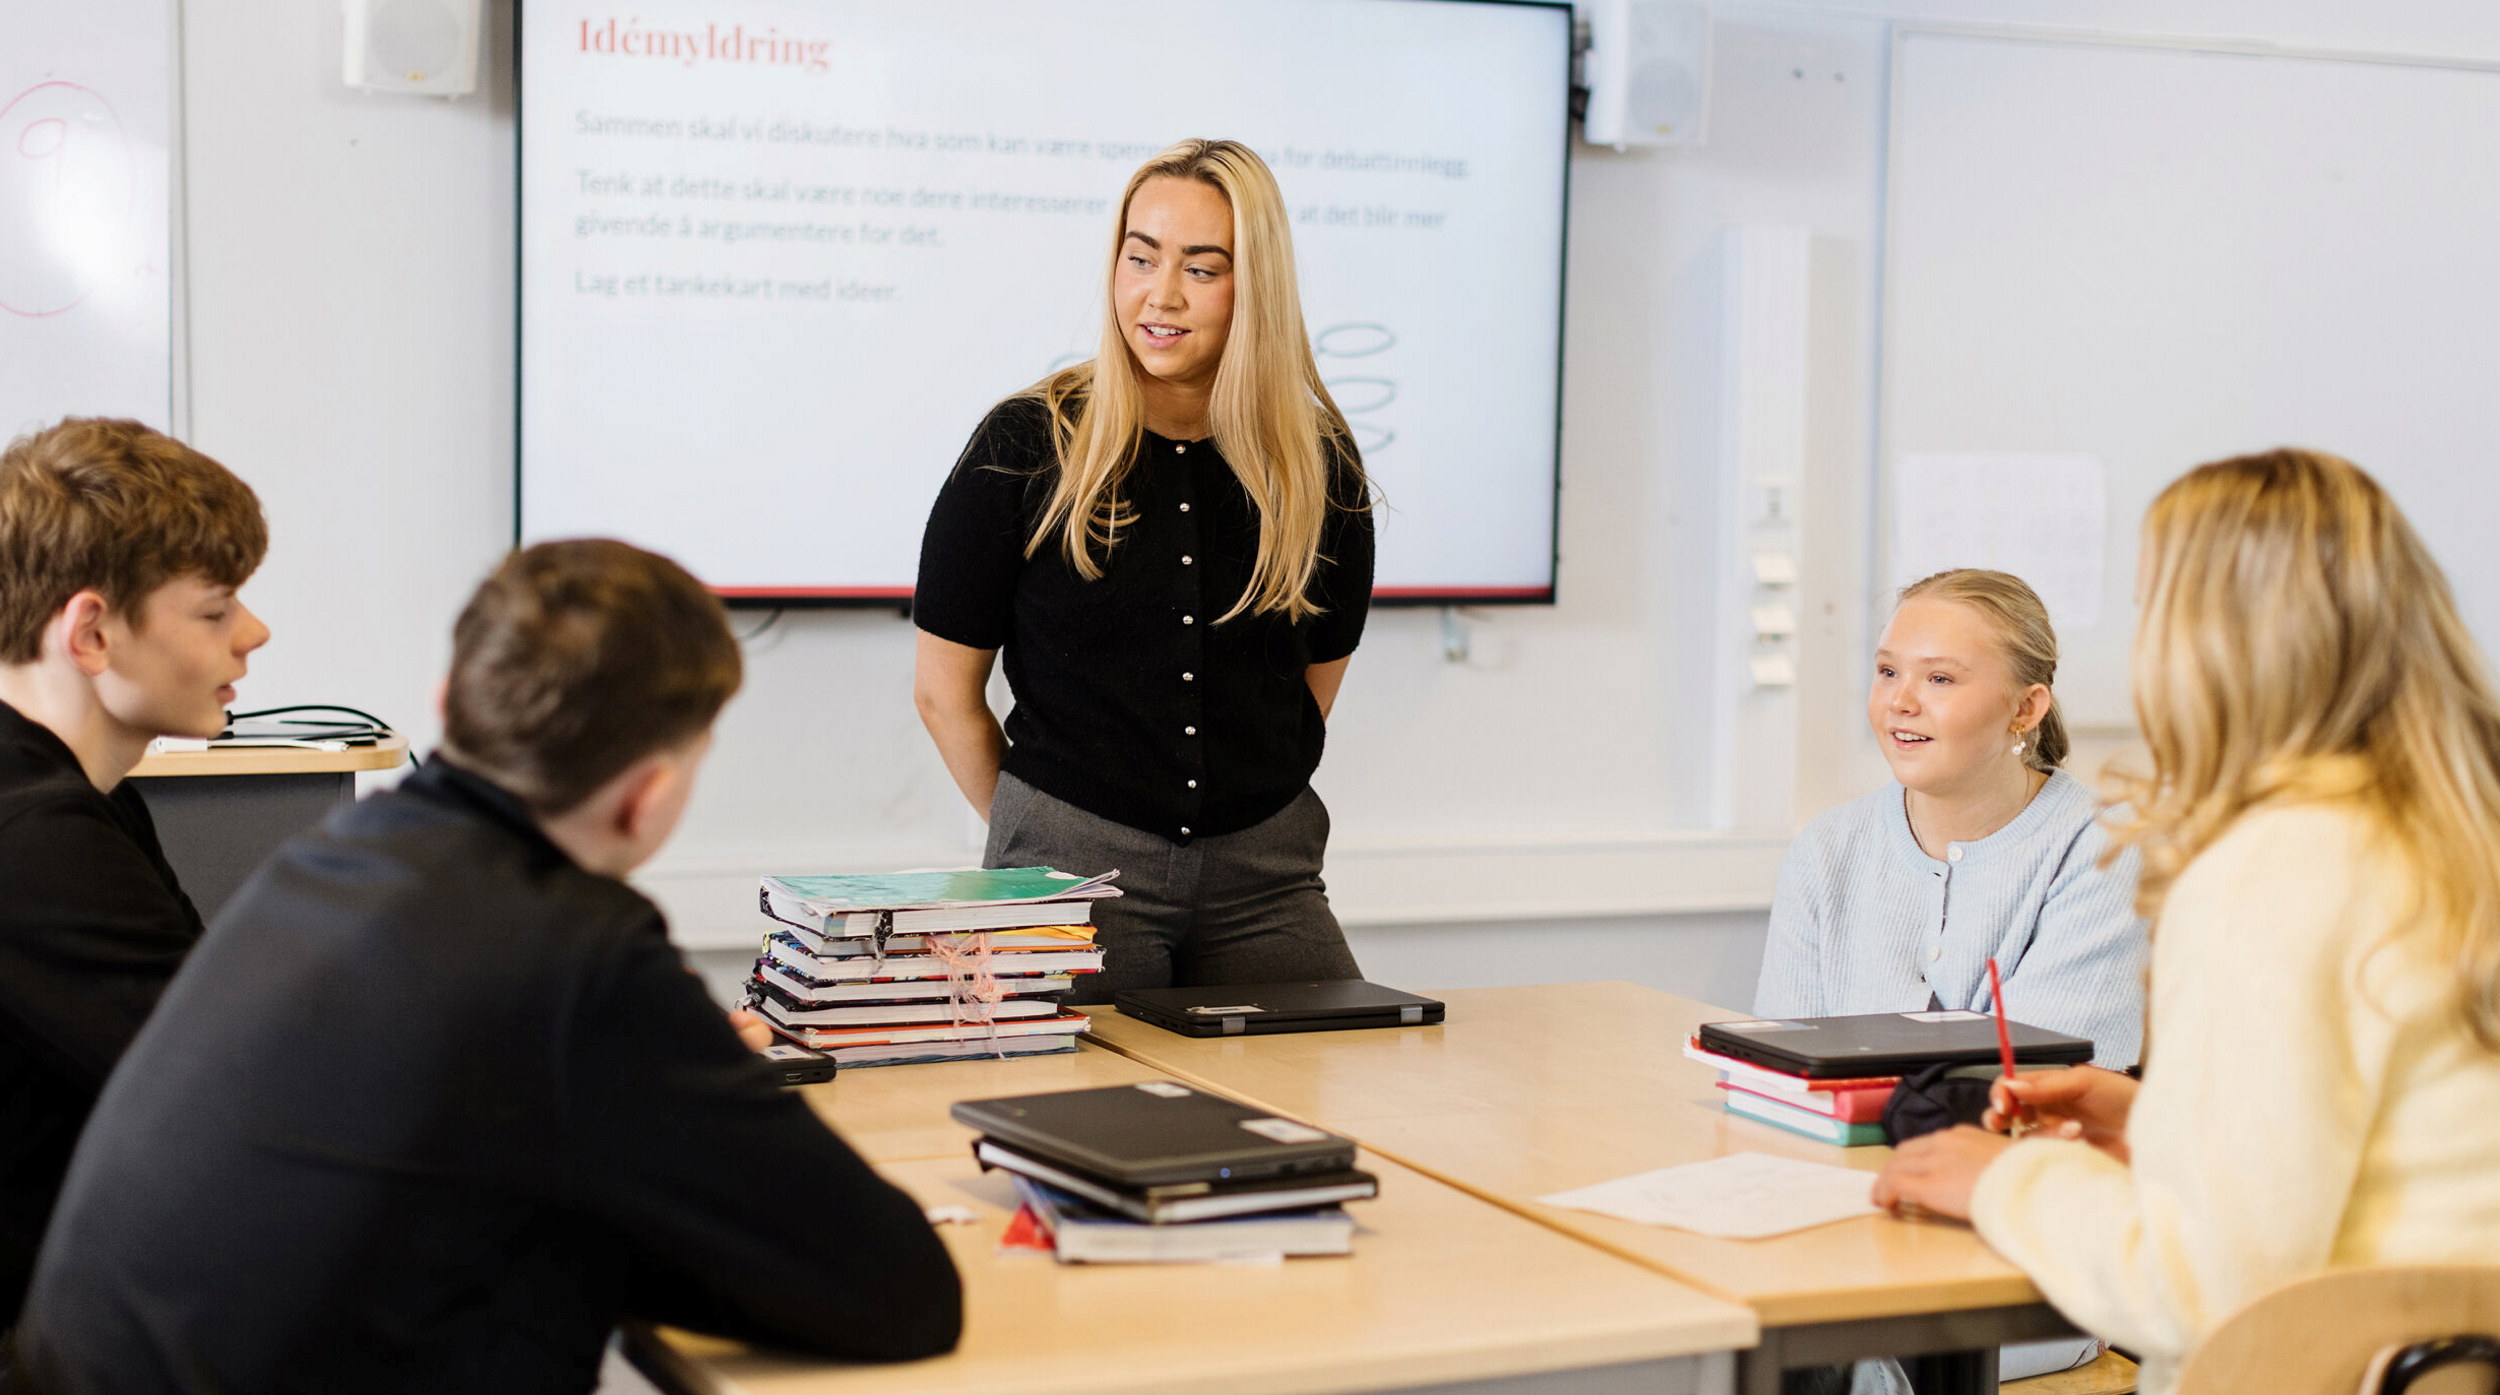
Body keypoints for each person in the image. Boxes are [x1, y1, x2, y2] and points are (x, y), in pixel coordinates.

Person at [13, 540, 961, 1393]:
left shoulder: (333, 859)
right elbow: (902, 1290)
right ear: (648, 798)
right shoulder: (574, 948)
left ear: (449, 705)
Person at [1873, 450, 2500, 1394]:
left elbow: (2199, 1289)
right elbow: (2406, 1151)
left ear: (2207, 641)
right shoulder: (2449, 834)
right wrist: (2165, 1125)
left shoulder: (2276, 865)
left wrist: (1999, 1181)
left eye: (2150, 609)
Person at [912, 138, 1375, 1003]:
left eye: (1202, 269)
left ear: (1256, 288)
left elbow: (1309, 688)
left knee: (1334, 1103)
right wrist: (1041, 841)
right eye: (1140, 258)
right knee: (1072, 1120)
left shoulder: (1318, 463)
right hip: (1069, 871)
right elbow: (944, 692)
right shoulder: (1024, 443)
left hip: (1267, 873)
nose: (1159, 295)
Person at [0, 418, 270, 1350]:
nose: (254, 634)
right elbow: (241, 1095)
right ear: (91, 631)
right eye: (215, 609)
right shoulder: (37, 840)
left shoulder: (84, 796)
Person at [1754, 568, 2146, 1068]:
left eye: (1939, 679)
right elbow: (1784, 1072)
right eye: (1888, 672)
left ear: (2025, 708)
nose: (1900, 701)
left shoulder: (2107, 845)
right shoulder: (1826, 848)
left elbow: (2041, 1087)